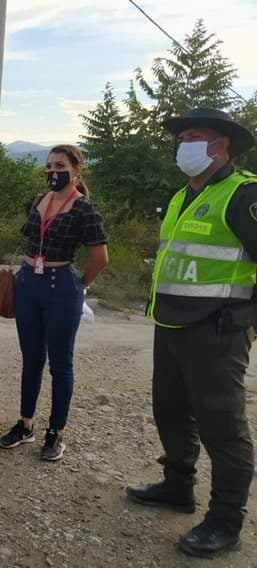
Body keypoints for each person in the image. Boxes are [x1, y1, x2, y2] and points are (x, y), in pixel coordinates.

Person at [126, 108, 257, 558]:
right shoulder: (184, 195)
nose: (184, 144)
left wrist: (246, 317)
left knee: (223, 426)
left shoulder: (244, 195)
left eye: (193, 136)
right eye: (181, 137)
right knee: (172, 410)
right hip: (173, 322)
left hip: (219, 330)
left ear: (220, 145)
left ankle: (225, 521)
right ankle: (178, 486)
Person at [0, 144, 109, 461]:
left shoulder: (84, 209)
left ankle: (56, 432)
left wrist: (80, 285)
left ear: (77, 169)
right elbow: (31, 238)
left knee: (60, 364)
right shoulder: (37, 201)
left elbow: (101, 258)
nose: (52, 171)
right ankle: (25, 424)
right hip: (29, 283)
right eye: (49, 165)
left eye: (60, 165)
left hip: (62, 286)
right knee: (31, 359)